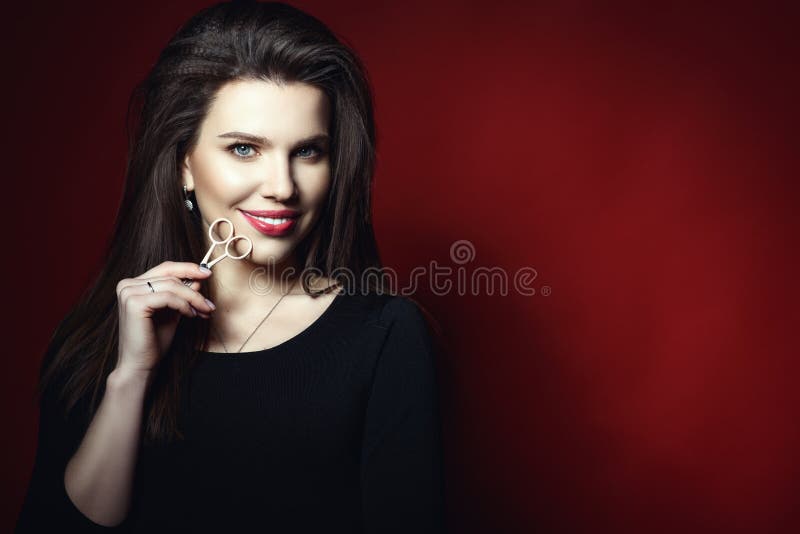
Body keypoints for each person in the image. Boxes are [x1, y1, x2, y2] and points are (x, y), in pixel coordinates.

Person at [15, 1, 446, 532]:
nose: (283, 186)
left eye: (308, 152)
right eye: (245, 149)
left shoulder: (382, 338)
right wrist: (131, 378)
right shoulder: (97, 342)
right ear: (183, 165)